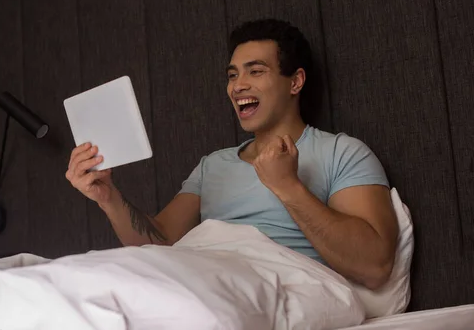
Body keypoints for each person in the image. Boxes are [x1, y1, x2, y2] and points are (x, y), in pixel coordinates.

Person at [65, 19, 398, 290]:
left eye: (255, 71)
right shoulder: (213, 166)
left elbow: (375, 267)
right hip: (203, 278)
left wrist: (287, 187)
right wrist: (108, 197)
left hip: (276, 288)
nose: (237, 85)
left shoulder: (342, 152)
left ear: (295, 82)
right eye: (233, 74)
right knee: (78, 281)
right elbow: (159, 244)